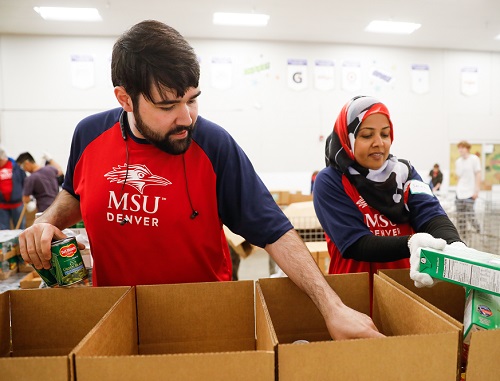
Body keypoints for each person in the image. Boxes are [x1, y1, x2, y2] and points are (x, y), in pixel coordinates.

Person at [18, 20, 382, 341]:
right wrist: (47, 221)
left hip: (206, 321)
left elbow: (276, 233)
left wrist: (332, 308)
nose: (186, 117)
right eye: (167, 106)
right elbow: (75, 194)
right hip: (118, 323)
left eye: (192, 100)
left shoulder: (213, 144)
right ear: (125, 99)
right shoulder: (89, 134)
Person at [313, 95, 464, 292]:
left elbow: (431, 214)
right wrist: (409, 243)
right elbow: (355, 243)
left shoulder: (404, 173)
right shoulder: (331, 181)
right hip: (353, 295)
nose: (379, 143)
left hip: (402, 291)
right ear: (347, 137)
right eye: (367, 135)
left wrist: (455, 245)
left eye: (385, 134)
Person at [455, 140, 481, 238]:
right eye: (459, 148)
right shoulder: (458, 161)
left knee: (470, 215)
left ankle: (479, 230)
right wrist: (457, 190)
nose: (460, 150)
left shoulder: (474, 159)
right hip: (459, 193)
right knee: (460, 217)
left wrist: (476, 191)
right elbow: (459, 177)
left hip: (470, 193)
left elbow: (478, 174)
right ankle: (463, 237)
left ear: (467, 148)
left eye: (462, 147)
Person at [0, 146, 26, 229]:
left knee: (20, 229)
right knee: (3, 230)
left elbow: (24, 181)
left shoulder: (16, 166)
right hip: (2, 206)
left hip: (17, 204)